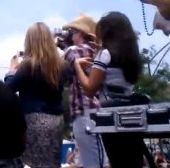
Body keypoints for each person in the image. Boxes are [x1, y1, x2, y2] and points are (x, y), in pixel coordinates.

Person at [74, 12, 143, 168]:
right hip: (132, 113)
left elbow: (90, 89)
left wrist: (77, 66)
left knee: (117, 160)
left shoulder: (105, 54)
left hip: (111, 115)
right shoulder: (132, 56)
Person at [5, 22, 69, 168]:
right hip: (56, 121)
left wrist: (11, 70)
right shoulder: (63, 65)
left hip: (33, 120)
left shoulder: (27, 65)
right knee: (51, 163)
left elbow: (8, 90)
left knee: (31, 163)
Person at [63, 14, 108, 168]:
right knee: (94, 160)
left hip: (85, 113)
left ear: (81, 33)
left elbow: (56, 65)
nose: (70, 35)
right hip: (95, 112)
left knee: (93, 164)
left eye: (72, 32)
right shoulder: (99, 51)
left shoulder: (74, 51)